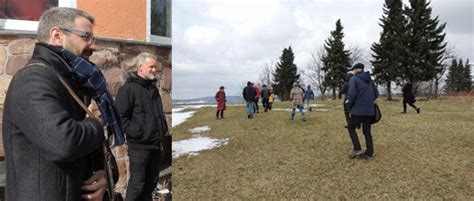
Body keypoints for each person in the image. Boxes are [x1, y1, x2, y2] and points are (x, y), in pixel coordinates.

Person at [2, 7, 114, 200]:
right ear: (57, 35)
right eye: (86, 37)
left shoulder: (73, 79)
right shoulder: (32, 79)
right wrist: (96, 122)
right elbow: (64, 142)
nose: (92, 46)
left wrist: (104, 175)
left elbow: (92, 145)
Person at [115, 53, 169, 201]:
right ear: (140, 68)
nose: (154, 70)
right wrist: (140, 133)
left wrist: (162, 132)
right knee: (137, 184)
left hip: (155, 145)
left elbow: (157, 115)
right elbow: (120, 118)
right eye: (151, 67)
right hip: (139, 147)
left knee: (151, 183)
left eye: (155, 67)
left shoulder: (153, 90)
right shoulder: (128, 89)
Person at [344, 63, 379, 159]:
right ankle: (369, 152)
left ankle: (357, 149)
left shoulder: (353, 79)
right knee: (367, 131)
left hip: (358, 110)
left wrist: (348, 106)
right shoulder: (370, 80)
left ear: (355, 70)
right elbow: (376, 93)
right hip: (369, 111)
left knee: (351, 127)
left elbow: (352, 95)